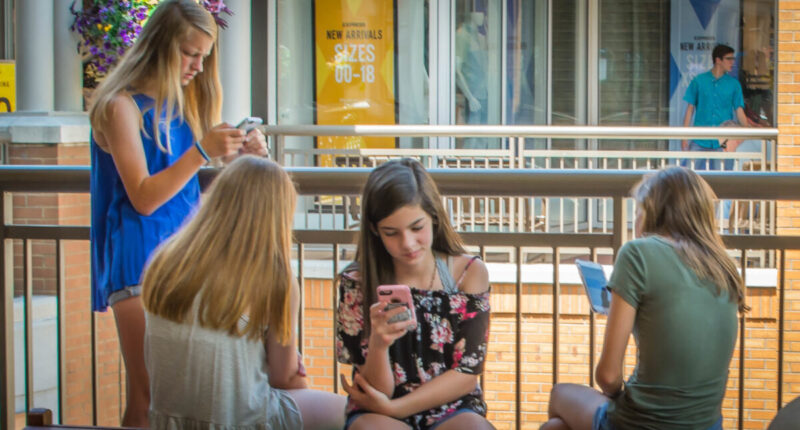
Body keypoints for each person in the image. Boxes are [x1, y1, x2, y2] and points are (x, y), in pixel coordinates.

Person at [88, 0, 267, 426]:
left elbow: (217, 170)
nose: (198, 66)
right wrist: (203, 149)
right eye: (190, 54)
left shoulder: (185, 102)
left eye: (203, 56)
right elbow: (144, 197)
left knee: (181, 392)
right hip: (138, 260)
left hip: (186, 259)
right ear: (161, 46)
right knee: (148, 393)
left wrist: (248, 152)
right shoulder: (121, 106)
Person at [142, 156, 346, 430]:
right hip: (239, 419)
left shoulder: (166, 259)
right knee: (355, 416)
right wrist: (295, 371)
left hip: (168, 422)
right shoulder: (275, 278)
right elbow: (284, 379)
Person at [542, 166, 748, 430]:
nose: (635, 219)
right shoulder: (724, 266)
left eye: (637, 210)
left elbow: (607, 376)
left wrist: (617, 396)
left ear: (652, 211)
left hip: (644, 424)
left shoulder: (638, 253)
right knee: (556, 427)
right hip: (707, 425)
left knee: (559, 394)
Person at [336, 158, 494, 430]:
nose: (407, 243)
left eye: (416, 228)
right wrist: (379, 344)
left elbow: (467, 373)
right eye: (391, 233)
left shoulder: (468, 272)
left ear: (433, 217)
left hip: (453, 407)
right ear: (374, 230)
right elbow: (376, 391)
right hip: (378, 411)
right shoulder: (357, 282)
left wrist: (396, 407)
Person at [682, 44, 749, 171]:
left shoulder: (734, 85)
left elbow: (739, 111)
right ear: (718, 60)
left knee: (725, 179)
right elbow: (689, 110)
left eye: (733, 59)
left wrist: (747, 133)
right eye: (729, 59)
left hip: (723, 140)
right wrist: (684, 136)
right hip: (699, 138)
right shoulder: (699, 81)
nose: (732, 62)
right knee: (691, 177)